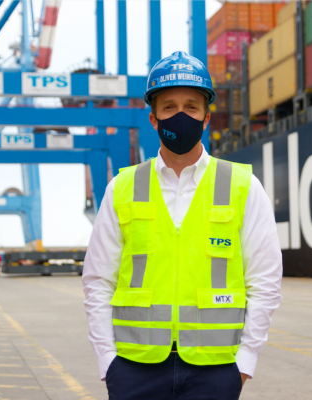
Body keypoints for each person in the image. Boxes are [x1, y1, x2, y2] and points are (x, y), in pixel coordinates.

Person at [82, 51, 283, 400]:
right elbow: (98, 280)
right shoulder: (121, 188)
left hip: (215, 370)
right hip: (134, 369)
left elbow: (265, 281)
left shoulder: (243, 187)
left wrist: (244, 363)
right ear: (153, 118)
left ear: (206, 118)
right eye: (169, 107)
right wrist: (108, 361)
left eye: (191, 107)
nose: (180, 115)